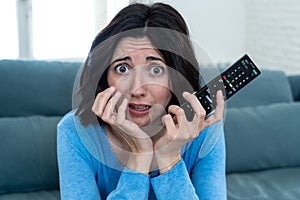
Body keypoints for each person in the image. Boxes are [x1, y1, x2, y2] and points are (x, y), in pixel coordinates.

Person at [57, 2, 226, 199]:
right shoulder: (74, 132)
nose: (137, 90)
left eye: (155, 70)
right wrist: (139, 158)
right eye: (122, 68)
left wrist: (169, 158)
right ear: (104, 77)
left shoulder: (204, 128)